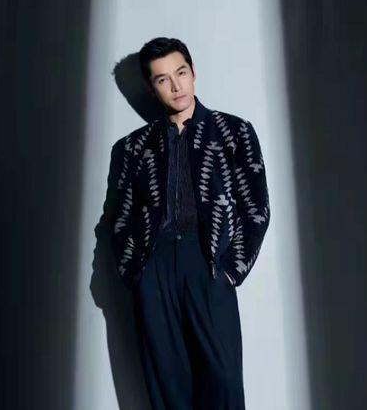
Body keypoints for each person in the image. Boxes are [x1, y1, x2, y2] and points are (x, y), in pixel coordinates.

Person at [95, 37, 270, 410]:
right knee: (168, 387)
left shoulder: (233, 131)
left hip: (208, 264)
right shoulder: (132, 148)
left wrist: (231, 271)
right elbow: (119, 216)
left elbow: (256, 207)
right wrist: (135, 273)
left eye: (181, 73)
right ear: (152, 88)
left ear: (193, 73)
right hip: (154, 267)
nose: (176, 86)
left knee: (223, 380)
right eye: (163, 79)